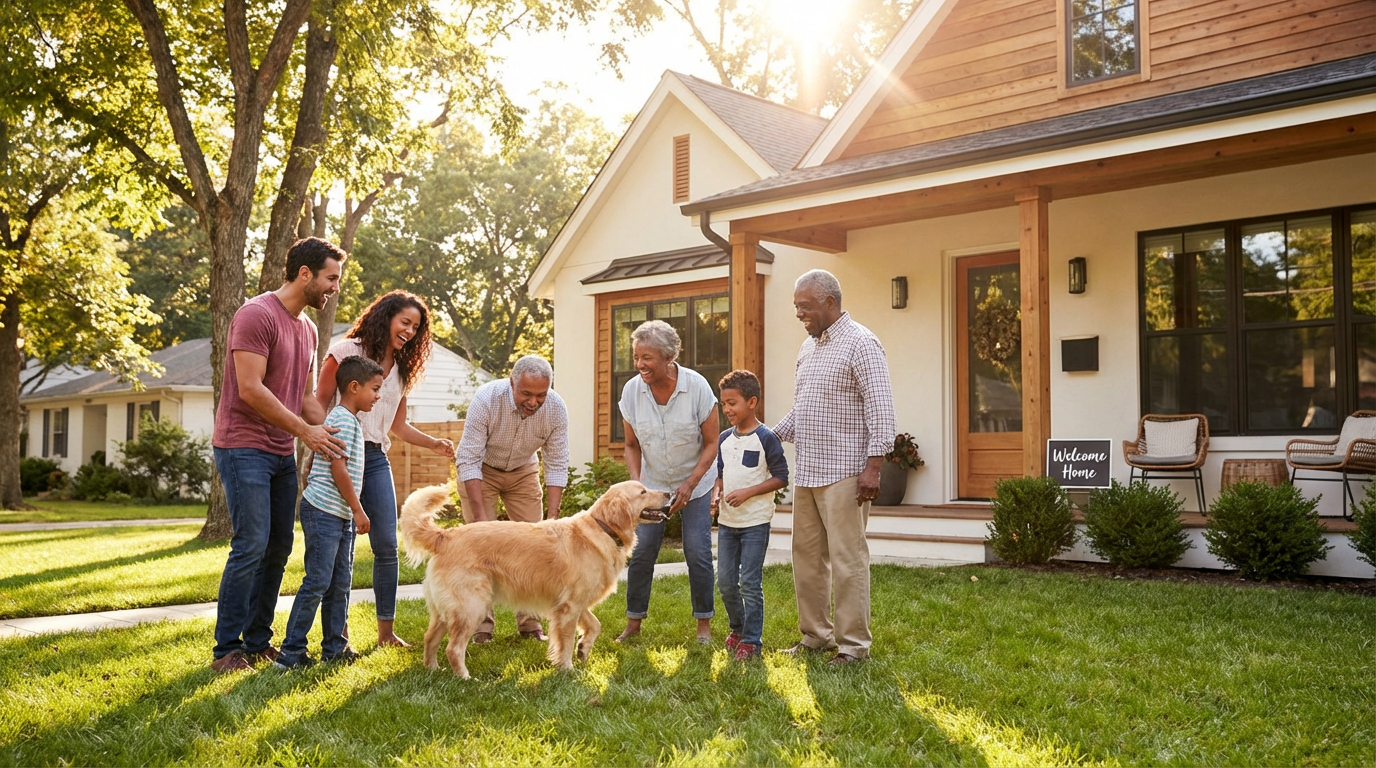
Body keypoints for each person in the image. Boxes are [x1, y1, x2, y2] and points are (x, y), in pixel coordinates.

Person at [209, 237, 349, 673]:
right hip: (241, 445)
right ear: (304, 273)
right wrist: (304, 431)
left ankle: (256, 641)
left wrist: (329, 430)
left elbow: (304, 397)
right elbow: (250, 389)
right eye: (330, 278)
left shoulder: (307, 329)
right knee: (250, 544)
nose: (334, 288)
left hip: (279, 450)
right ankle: (226, 649)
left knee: (278, 546)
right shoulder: (257, 315)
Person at [315, 290, 454, 647]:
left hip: (375, 458)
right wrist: (327, 441)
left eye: (416, 327)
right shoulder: (347, 352)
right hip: (341, 453)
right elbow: (317, 403)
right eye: (404, 322)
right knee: (339, 548)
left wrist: (434, 444)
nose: (409, 331)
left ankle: (386, 633)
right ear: (386, 317)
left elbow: (398, 426)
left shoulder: (403, 372)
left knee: (386, 547)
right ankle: (337, 633)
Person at [773, 269, 895, 666]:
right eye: (796, 306)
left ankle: (853, 646)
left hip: (846, 472)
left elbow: (881, 409)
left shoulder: (862, 343)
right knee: (806, 560)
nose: (798, 314)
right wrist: (766, 437)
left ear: (829, 302)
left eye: (804, 306)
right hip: (807, 471)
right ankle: (815, 635)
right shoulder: (808, 349)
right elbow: (803, 409)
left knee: (847, 560)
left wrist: (874, 467)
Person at [615, 320, 719, 644]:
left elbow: (712, 442)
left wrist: (690, 484)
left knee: (697, 550)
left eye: (647, 357)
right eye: (636, 357)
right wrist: (637, 486)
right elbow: (631, 445)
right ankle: (633, 624)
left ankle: (703, 626)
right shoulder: (632, 391)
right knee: (643, 550)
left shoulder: (697, 387)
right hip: (654, 481)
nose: (640, 364)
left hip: (697, 482)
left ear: (668, 357)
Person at [276, 356, 383, 670]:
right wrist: (359, 510)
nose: (378, 396)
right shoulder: (342, 419)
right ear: (354, 387)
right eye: (375, 389)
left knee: (340, 583)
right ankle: (290, 654)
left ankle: (335, 648)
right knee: (318, 581)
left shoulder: (350, 419)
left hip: (337, 514)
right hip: (324, 510)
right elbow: (339, 470)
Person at [454, 354, 569, 643]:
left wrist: (552, 517)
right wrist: (481, 521)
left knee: (534, 547)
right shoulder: (487, 399)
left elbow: (556, 463)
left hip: (522, 471)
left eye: (541, 395)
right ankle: (481, 625)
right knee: (481, 550)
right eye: (526, 394)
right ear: (512, 383)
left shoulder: (555, 409)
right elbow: (468, 459)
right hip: (481, 471)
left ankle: (530, 623)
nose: (533, 402)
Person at [712, 369, 788, 662]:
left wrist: (748, 492)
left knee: (750, 583)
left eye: (733, 403)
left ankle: (753, 641)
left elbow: (781, 477)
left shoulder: (766, 438)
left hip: (755, 523)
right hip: (728, 524)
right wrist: (716, 494)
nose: (727, 409)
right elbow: (721, 475)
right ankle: (738, 629)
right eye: (724, 404)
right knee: (727, 582)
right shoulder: (723, 439)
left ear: (752, 401)